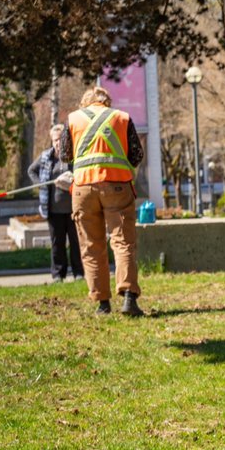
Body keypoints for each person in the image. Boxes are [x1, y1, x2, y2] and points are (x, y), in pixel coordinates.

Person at [60, 86, 145, 316]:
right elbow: (137, 155)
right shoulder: (121, 118)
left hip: (83, 189)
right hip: (117, 186)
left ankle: (102, 304)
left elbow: (64, 155)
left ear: (84, 102)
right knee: (123, 242)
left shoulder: (72, 119)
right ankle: (129, 297)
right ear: (107, 101)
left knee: (91, 245)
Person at [27, 124, 82, 283]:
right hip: (53, 210)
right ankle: (58, 274)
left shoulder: (74, 157)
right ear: (52, 141)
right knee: (57, 243)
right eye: (55, 140)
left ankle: (79, 272)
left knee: (75, 242)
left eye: (61, 139)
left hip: (73, 208)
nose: (58, 143)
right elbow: (32, 171)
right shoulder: (46, 157)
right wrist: (43, 184)